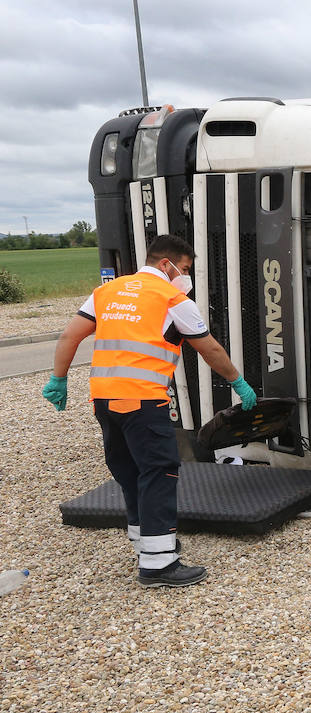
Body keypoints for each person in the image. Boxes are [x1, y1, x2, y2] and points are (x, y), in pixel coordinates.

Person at [42, 234, 258, 588]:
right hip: (143, 400)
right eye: (184, 269)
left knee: (130, 473)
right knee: (158, 473)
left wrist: (59, 379)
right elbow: (210, 349)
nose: (185, 276)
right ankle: (159, 566)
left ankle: (148, 545)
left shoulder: (107, 292)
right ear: (166, 264)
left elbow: (69, 337)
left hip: (104, 400)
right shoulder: (173, 298)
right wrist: (238, 382)